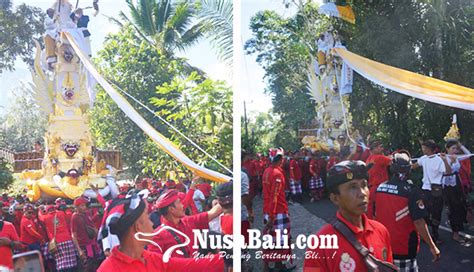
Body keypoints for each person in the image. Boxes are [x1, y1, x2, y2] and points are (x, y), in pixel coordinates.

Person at [304, 160, 396, 272]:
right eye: (353, 187)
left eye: (364, 185)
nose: (362, 193)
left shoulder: (381, 231)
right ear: (335, 198)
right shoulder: (320, 244)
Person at [97, 192, 224, 272]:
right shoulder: (109, 269)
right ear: (138, 227)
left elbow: (192, 265)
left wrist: (232, 257)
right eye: (147, 217)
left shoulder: (150, 259)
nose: (152, 223)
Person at [375, 152, 440, 271]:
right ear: (409, 169)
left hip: (383, 246)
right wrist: (432, 246)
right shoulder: (411, 191)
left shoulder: (380, 188)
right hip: (404, 248)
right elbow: (419, 222)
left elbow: (375, 215)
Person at [148, 189, 223, 259]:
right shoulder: (158, 236)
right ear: (172, 209)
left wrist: (228, 198)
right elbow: (153, 264)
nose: (183, 205)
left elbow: (213, 213)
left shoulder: (189, 221)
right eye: (179, 202)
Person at [412, 140, 451, 244]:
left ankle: (435, 235)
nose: (422, 149)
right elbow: (413, 166)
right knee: (425, 212)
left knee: (436, 213)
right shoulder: (423, 158)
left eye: (424, 147)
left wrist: (445, 160)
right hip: (426, 190)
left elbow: (448, 171)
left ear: (430, 149)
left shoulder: (439, 160)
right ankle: (427, 234)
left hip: (436, 191)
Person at [262, 148, 294, 271]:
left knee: (274, 239)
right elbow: (274, 197)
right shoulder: (277, 173)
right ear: (280, 159)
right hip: (276, 212)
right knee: (280, 240)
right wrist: (272, 216)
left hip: (270, 210)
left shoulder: (267, 171)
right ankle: (277, 266)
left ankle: (278, 265)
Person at [441, 140, 470, 244]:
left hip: (457, 185)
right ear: (447, 149)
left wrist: (460, 145)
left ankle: (457, 228)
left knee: (461, 207)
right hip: (448, 187)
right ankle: (455, 233)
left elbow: (468, 155)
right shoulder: (443, 158)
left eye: (456, 149)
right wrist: (449, 161)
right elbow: (448, 171)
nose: (455, 150)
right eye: (453, 148)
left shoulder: (455, 157)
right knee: (453, 209)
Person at [40, 203, 79, 272]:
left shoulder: (45, 217)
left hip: (57, 242)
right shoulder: (61, 213)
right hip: (67, 240)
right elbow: (69, 214)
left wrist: (40, 210)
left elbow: (40, 216)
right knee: (71, 261)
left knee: (60, 261)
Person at [71, 196, 103, 271]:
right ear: (77, 207)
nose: (85, 207)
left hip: (93, 245)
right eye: (82, 205)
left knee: (95, 266)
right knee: (87, 268)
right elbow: (73, 235)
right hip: (84, 247)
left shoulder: (87, 214)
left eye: (85, 205)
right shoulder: (75, 217)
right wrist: (79, 250)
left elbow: (93, 226)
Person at [366, 140, 392, 219]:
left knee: (370, 208)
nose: (382, 148)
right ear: (375, 149)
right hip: (380, 187)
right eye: (380, 147)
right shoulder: (379, 157)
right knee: (381, 208)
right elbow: (391, 162)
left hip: (371, 187)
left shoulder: (369, 158)